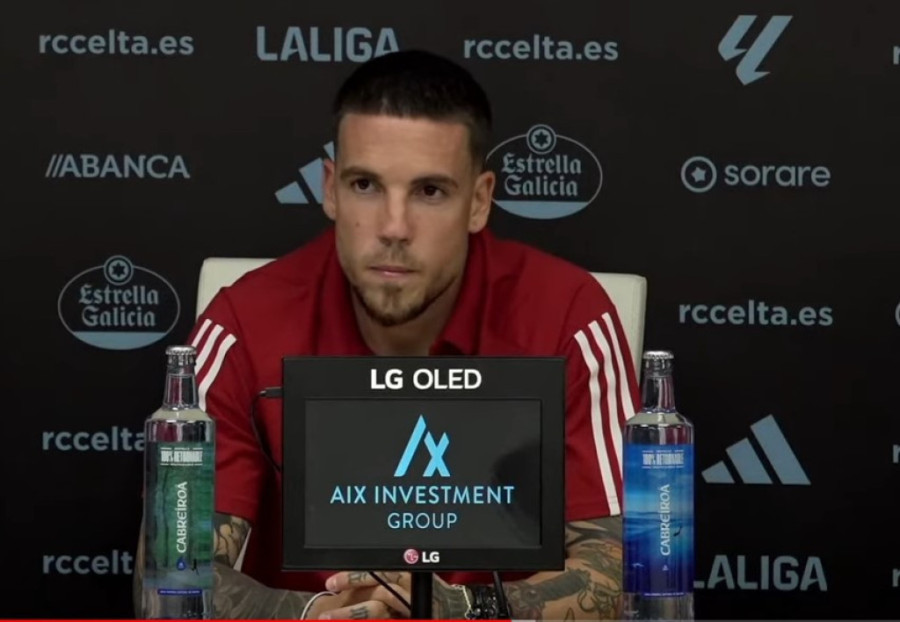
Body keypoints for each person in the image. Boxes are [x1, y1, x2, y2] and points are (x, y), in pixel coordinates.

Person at [134, 48, 639, 620]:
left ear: (478, 201)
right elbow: (169, 578)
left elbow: (627, 569)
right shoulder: (244, 325)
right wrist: (317, 616)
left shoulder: (567, 317)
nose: (394, 227)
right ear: (330, 189)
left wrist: (455, 610)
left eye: (430, 191)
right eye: (366, 185)